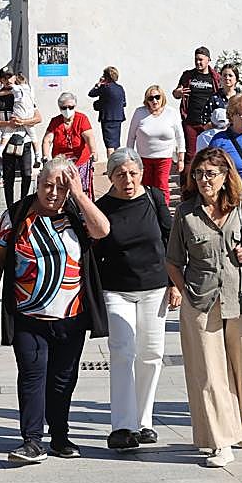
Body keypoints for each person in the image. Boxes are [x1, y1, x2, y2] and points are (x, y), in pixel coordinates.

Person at [0, 157, 110, 463]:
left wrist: (79, 195)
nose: (52, 192)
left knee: (62, 379)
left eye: (60, 187)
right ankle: (31, 440)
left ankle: (60, 436)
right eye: (47, 185)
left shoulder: (77, 214)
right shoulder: (16, 215)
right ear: (37, 184)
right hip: (28, 315)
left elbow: (103, 230)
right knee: (31, 375)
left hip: (71, 316)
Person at [165, 148, 242, 468]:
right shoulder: (185, 213)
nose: (203, 181)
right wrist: (184, 292)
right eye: (198, 175)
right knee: (210, 374)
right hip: (201, 300)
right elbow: (172, 261)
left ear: (226, 176)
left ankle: (239, 420)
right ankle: (220, 441)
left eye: (210, 174)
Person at [95, 148, 180, 451]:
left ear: (141, 173)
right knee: (123, 352)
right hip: (116, 289)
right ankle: (123, 425)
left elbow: (171, 242)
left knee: (151, 353)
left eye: (132, 173)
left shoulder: (155, 199)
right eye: (119, 174)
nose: (127, 179)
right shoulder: (103, 206)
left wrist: (175, 284)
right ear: (111, 178)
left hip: (154, 287)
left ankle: (144, 422)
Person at [0, 66, 42, 209]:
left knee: (26, 173)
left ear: (14, 77)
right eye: (4, 77)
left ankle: (24, 203)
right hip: (6, 140)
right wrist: (9, 123)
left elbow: (38, 118)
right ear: (0, 79)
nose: (7, 80)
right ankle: (11, 207)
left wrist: (23, 122)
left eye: (9, 77)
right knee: (8, 176)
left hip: (25, 139)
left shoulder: (23, 93)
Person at [125, 85, 184, 205]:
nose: (154, 101)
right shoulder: (139, 112)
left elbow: (180, 136)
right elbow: (131, 136)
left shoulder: (171, 113)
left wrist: (181, 158)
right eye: (151, 98)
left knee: (161, 186)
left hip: (164, 158)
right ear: (146, 100)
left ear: (162, 98)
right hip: (143, 158)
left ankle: (163, 213)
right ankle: (148, 211)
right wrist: (129, 157)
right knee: (145, 186)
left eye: (157, 97)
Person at [172, 46, 223, 168]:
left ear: (208, 60)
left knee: (211, 155)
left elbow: (221, 97)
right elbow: (176, 93)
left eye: (201, 59)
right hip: (191, 122)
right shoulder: (188, 76)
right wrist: (177, 93)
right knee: (190, 155)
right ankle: (187, 185)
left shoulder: (215, 78)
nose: (198, 62)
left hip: (209, 124)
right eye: (196, 59)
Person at [43, 92, 96, 199]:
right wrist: (45, 155)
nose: (67, 110)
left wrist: (93, 152)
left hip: (80, 161)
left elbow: (89, 137)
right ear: (59, 107)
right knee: (61, 186)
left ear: (74, 106)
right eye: (64, 107)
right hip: (61, 161)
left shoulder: (81, 119)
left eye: (70, 107)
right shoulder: (55, 121)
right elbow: (47, 140)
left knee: (80, 188)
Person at [88, 66, 128, 151]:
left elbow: (91, 94)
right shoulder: (120, 88)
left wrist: (98, 84)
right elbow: (124, 103)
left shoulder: (104, 87)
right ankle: (117, 162)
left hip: (107, 119)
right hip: (118, 118)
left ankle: (111, 163)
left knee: (109, 145)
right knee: (116, 144)